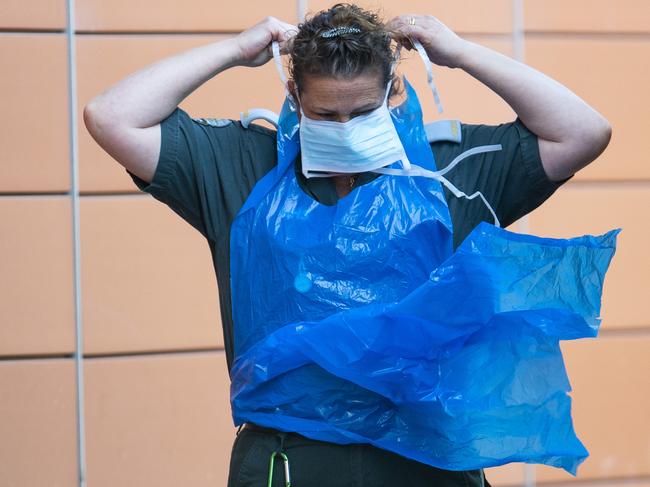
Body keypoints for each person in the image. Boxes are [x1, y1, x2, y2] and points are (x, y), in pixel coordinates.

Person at [83, 3, 612, 486]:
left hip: (426, 460)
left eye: (362, 113)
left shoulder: (452, 169)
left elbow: (583, 132)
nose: (346, 128)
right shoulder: (243, 164)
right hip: (290, 459)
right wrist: (233, 50)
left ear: (391, 94)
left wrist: (459, 53)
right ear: (294, 97)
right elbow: (111, 116)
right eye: (326, 115)